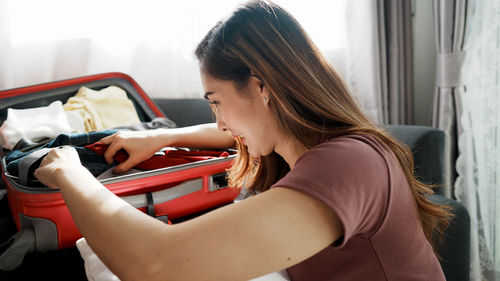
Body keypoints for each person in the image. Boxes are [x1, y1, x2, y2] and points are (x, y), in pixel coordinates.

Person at [34, 1, 452, 280]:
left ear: (261, 88)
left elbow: (157, 264)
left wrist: (71, 174)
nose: (218, 120)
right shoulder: (319, 147)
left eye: (216, 101)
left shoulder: (346, 166)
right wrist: (163, 138)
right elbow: (230, 135)